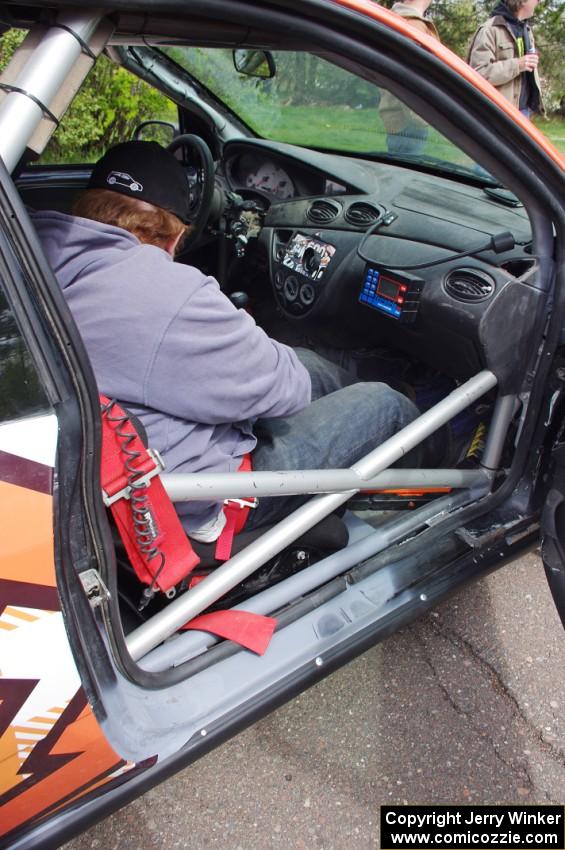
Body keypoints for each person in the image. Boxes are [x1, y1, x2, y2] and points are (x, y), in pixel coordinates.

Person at [31, 140, 419, 545]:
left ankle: (391, 390)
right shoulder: (169, 292)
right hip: (191, 506)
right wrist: (235, 328)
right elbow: (288, 389)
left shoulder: (35, 247)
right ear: (173, 237)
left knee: (307, 361)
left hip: (99, 467)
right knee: (383, 404)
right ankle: (444, 465)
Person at [380, 0, 440, 156]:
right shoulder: (413, 25)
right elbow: (408, 78)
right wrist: (422, 118)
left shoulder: (397, 18)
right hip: (409, 124)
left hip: (399, 120)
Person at [467, 0, 543, 118]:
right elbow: (479, 73)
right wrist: (518, 65)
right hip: (497, 116)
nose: (539, 2)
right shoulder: (490, 30)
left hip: (523, 112)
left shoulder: (526, 30)